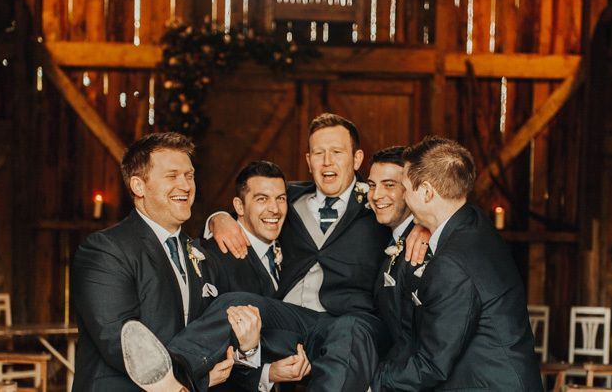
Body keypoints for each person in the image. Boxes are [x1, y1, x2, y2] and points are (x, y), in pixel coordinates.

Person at [122, 114, 428, 391]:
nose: (327, 162)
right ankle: (173, 372)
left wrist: (421, 225)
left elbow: (408, 212)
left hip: (353, 321)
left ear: (356, 158)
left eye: (337, 152)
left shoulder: (377, 202)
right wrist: (219, 218)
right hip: (294, 320)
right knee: (236, 303)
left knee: (348, 334)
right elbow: (248, 206)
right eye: (318, 153)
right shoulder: (287, 199)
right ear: (308, 161)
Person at [71, 132, 258, 391]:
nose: (185, 185)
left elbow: (209, 332)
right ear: (138, 186)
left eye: (189, 176)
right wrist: (197, 379)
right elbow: (123, 344)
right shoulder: (106, 250)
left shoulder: (198, 253)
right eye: (172, 176)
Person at [371, 136, 543, 391]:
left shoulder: (451, 262)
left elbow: (432, 364)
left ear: (428, 192)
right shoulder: (474, 222)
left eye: (406, 188)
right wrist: (423, 224)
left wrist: (372, 383)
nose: (404, 197)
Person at [201, 160, 310, 390]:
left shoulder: (291, 246)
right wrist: (268, 373)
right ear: (239, 207)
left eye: (280, 198)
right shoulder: (214, 257)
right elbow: (206, 344)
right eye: (262, 199)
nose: (275, 209)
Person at [367, 146, 417, 348]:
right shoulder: (392, 236)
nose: (376, 195)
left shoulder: (421, 245)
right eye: (372, 185)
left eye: (389, 185)